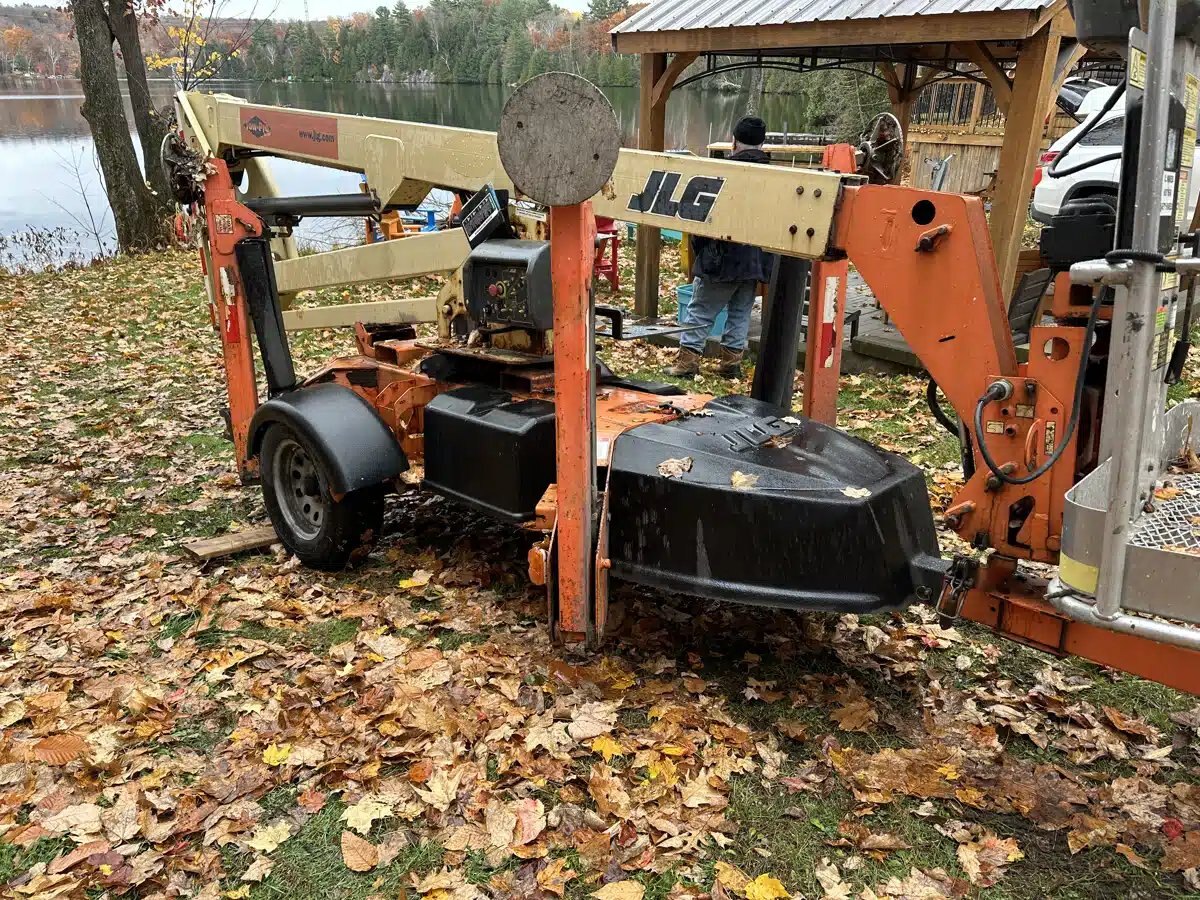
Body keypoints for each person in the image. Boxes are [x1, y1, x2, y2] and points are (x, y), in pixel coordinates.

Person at [667, 115, 776, 378]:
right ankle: (730, 365)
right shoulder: (775, 175)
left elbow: (701, 218)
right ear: (762, 144)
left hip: (723, 257)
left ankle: (687, 363)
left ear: (734, 142)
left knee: (701, 310)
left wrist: (702, 252)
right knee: (741, 311)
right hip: (756, 259)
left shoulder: (722, 173)